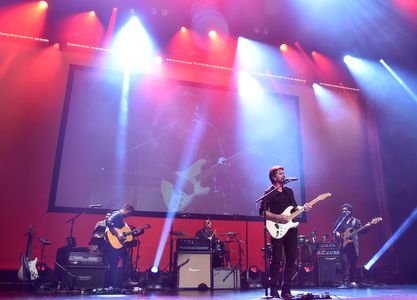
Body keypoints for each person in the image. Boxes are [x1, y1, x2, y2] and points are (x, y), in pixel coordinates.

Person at [259, 166, 312, 299]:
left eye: (284, 173)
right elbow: (262, 212)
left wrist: (303, 208)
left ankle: (286, 289)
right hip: (277, 228)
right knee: (276, 259)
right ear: (273, 177)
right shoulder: (268, 193)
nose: (283, 175)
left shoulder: (289, 191)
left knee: (291, 258)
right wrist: (278, 217)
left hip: (291, 229)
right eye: (280, 173)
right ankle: (273, 288)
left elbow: (293, 208)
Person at [333, 203, 367, 288]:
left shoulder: (355, 221)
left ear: (350, 211)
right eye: (343, 210)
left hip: (352, 245)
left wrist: (366, 227)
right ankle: (345, 282)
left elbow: (361, 230)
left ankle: (352, 281)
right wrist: (338, 235)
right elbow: (335, 230)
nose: (344, 212)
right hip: (343, 245)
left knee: (353, 264)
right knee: (344, 263)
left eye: (346, 210)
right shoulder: (340, 220)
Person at [105, 204, 134, 287]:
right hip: (112, 245)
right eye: (129, 213)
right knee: (114, 265)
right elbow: (109, 222)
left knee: (116, 265)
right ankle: (112, 285)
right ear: (125, 209)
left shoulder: (121, 218)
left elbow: (122, 230)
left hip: (116, 245)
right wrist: (117, 234)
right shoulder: (117, 214)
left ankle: (114, 284)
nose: (129, 215)